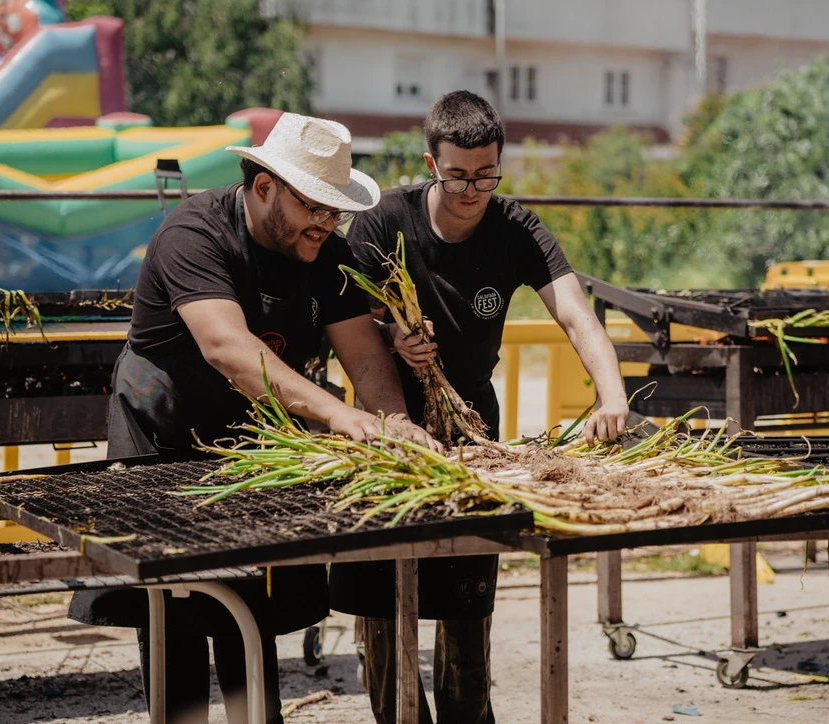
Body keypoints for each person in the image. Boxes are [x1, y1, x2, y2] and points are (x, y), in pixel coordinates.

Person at [67, 112, 439, 724]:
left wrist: (393, 422)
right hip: (162, 439)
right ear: (264, 184)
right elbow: (228, 350)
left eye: (335, 209)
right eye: (314, 206)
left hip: (248, 444)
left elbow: (367, 356)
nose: (326, 222)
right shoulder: (193, 234)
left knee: (249, 617)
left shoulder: (327, 254)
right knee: (173, 618)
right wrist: (336, 414)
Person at [330, 90, 630, 723]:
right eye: (458, 174)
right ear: (430, 161)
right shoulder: (385, 219)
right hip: (384, 429)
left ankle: (470, 714)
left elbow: (575, 314)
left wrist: (612, 395)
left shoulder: (516, 228)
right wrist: (393, 338)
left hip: (472, 434)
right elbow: (350, 321)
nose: (473, 189)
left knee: (467, 604)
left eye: (487, 174)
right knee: (385, 610)